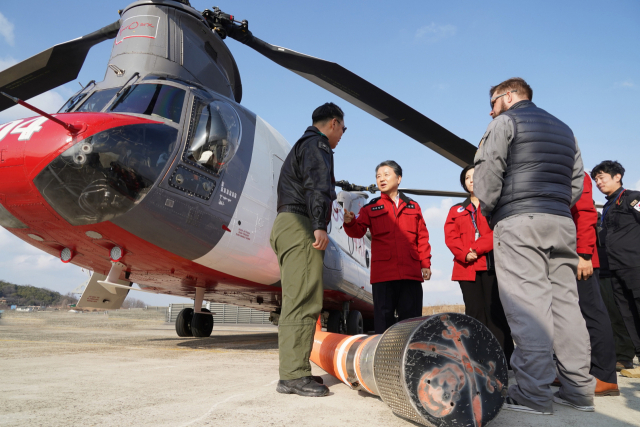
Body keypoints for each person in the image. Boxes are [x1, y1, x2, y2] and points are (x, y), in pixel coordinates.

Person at [474, 77, 595, 415]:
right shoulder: (566, 130)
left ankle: (533, 394)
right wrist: (552, 203)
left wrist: (494, 212)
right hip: (560, 223)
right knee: (566, 308)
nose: (491, 109)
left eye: (493, 102)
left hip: (519, 222)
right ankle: (579, 391)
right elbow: (575, 184)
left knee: (528, 307)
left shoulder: (504, 122)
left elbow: (486, 176)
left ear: (508, 97)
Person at [270, 102, 345, 397]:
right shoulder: (318, 144)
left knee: (298, 298)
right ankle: (291, 376)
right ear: (334, 123)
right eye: (343, 130)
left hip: (289, 223)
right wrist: (319, 224)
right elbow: (316, 185)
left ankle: (296, 370)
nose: (340, 137)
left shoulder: (303, 144)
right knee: (302, 301)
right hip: (301, 224)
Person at [343, 160, 431, 334]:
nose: (381, 179)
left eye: (386, 174)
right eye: (378, 176)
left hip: (410, 273)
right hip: (383, 275)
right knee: (383, 321)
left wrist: (425, 264)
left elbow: (422, 237)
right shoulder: (371, 208)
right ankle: (383, 360)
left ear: (398, 179)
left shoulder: (413, 207)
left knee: (411, 321)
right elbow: (358, 231)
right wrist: (350, 222)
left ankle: (409, 357)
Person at [444, 165, 514, 367]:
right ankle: (478, 359)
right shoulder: (455, 210)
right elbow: (450, 237)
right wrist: (465, 253)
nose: (471, 180)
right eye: (467, 177)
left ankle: (503, 360)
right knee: (474, 314)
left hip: (491, 265)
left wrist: (476, 248)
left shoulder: (494, 206)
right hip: (466, 268)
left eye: (475, 176)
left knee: (496, 314)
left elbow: (499, 231)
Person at [570, 172, 619, 395]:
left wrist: (584, 254)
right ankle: (575, 372)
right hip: (561, 257)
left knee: (592, 312)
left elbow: (585, 214)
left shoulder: (575, 173)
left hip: (581, 257)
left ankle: (605, 376)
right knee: (570, 317)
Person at [591, 160, 640, 379]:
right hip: (615, 268)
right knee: (628, 315)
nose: (598, 182)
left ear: (617, 176)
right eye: (596, 180)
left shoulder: (632, 198)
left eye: (602, 177)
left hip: (635, 265)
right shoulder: (609, 205)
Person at [596, 211, 636, 372]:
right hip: (595, 274)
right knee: (602, 317)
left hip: (611, 273)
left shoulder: (606, 225)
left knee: (618, 316)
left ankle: (625, 356)